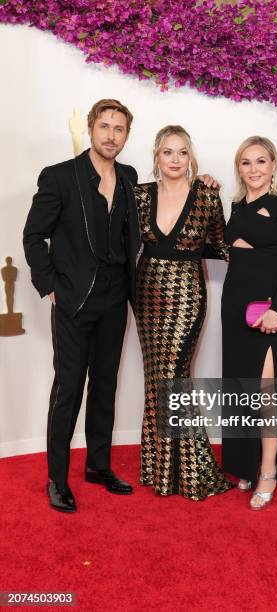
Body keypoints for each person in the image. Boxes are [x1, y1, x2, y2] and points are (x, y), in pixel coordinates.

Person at [23, 99, 141, 512]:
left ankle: (98, 465)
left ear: (127, 135)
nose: (111, 135)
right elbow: (33, 237)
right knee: (69, 387)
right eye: (104, 126)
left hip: (116, 295)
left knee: (105, 384)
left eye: (119, 128)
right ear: (91, 129)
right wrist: (50, 286)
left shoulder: (129, 176)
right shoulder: (59, 177)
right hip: (74, 297)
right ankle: (57, 478)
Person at [134, 125, 234, 500]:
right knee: (155, 379)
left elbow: (225, 246)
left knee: (174, 375)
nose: (175, 160)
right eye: (167, 152)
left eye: (182, 153)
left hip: (188, 294)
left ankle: (190, 471)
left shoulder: (206, 195)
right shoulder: (139, 195)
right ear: (156, 157)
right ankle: (160, 468)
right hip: (145, 295)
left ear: (191, 158)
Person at [221, 136, 277, 510]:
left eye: (260, 161)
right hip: (235, 304)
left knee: (267, 391)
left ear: (273, 165)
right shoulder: (236, 205)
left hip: (270, 309)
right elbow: (229, 249)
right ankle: (246, 464)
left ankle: (268, 470)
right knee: (240, 386)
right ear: (238, 168)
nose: (253, 169)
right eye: (245, 163)